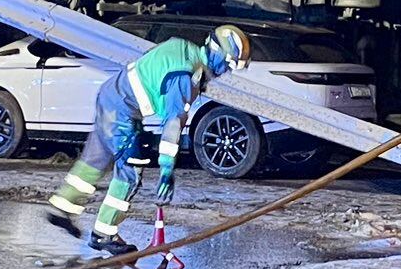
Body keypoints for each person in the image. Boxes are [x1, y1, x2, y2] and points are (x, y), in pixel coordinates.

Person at [45, 25, 252, 255]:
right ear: (215, 51)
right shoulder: (186, 77)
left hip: (111, 95)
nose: (225, 71)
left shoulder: (182, 46)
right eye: (227, 63)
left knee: (97, 157)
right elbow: (172, 123)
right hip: (123, 109)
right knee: (130, 172)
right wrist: (166, 169)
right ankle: (104, 233)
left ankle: (61, 207)